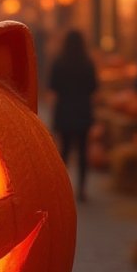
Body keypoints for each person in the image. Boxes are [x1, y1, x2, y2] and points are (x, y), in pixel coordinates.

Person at [48, 30, 98, 202]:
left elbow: (53, 86)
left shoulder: (59, 63)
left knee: (65, 151)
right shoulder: (87, 63)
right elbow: (93, 87)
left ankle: (62, 187)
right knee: (83, 151)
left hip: (65, 110)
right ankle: (82, 189)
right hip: (83, 111)